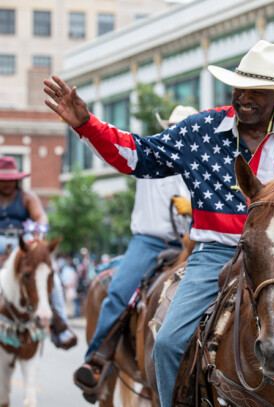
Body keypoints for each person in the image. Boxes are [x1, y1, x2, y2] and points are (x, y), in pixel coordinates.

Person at [44, 40, 274, 407]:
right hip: (214, 253)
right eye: (240, 87)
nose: (244, 97)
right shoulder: (201, 131)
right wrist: (86, 124)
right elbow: (139, 155)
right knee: (168, 344)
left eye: (257, 91)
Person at [71, 106, 194, 401]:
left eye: (186, 129)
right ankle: (97, 361)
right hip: (149, 242)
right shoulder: (150, 153)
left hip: (191, 244)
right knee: (118, 293)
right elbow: (109, 148)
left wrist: (194, 209)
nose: (180, 134)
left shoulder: (198, 164)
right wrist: (85, 126)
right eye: (176, 127)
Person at [0, 155, 77, 350]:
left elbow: (41, 217)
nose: (7, 183)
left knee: (53, 279)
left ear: (17, 179)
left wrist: (37, 236)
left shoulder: (27, 197)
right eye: (3, 180)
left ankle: (60, 327)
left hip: (23, 243)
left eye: (11, 179)